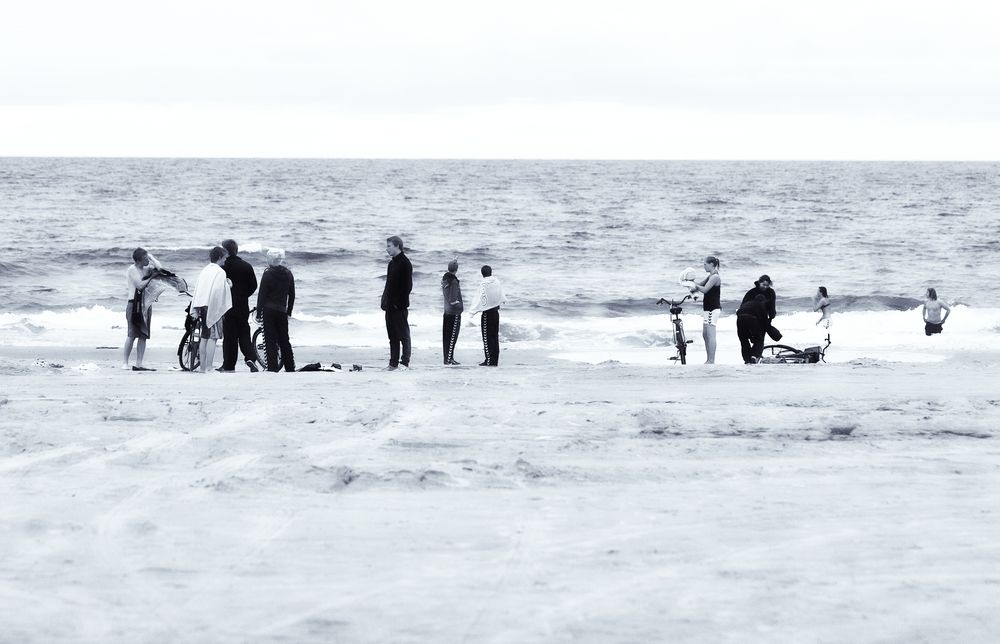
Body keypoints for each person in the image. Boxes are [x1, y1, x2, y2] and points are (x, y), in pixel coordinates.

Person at [191, 246, 232, 373]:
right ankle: (209, 367)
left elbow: (199, 288)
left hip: (202, 304)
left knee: (204, 336)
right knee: (213, 337)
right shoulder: (220, 272)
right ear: (219, 257)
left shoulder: (205, 270)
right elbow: (218, 291)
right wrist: (228, 285)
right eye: (224, 258)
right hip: (213, 306)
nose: (225, 261)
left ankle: (203, 367)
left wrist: (196, 307)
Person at [219, 239, 259, 373]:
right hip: (242, 304)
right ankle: (250, 358)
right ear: (236, 250)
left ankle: (229, 365)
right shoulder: (246, 266)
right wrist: (244, 295)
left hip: (227, 304)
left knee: (230, 336)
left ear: (225, 251)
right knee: (244, 332)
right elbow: (253, 285)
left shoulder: (222, 267)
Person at [122, 247, 163, 371]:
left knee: (143, 335)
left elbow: (159, 268)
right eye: (146, 259)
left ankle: (139, 363)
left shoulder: (146, 269)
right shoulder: (132, 269)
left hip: (145, 304)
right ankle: (125, 362)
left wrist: (150, 256)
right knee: (132, 334)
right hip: (134, 304)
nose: (148, 262)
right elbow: (139, 285)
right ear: (140, 260)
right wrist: (151, 278)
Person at [256, 248, 296, 372]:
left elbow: (262, 294)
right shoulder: (288, 273)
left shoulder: (268, 273)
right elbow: (292, 294)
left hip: (268, 310)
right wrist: (289, 311)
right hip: (282, 310)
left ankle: (272, 368)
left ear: (270, 260)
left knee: (270, 339)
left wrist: (258, 312)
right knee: (284, 339)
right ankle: (290, 367)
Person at [381, 236, 413, 370]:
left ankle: (404, 363)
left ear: (397, 246)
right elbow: (388, 284)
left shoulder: (405, 263)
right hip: (389, 306)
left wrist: (398, 304)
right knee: (392, 336)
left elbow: (408, 287)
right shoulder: (391, 263)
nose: (387, 248)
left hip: (399, 306)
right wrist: (384, 300)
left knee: (403, 335)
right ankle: (393, 363)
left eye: (389, 246)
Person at [468, 265, 506, 366]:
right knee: (494, 337)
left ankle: (488, 360)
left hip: (487, 314)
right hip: (496, 313)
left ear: (482, 274)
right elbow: (502, 295)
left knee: (487, 337)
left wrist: (472, 312)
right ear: (491, 272)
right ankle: (494, 360)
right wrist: (503, 300)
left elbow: (478, 299)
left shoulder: (483, 284)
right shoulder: (497, 281)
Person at [688, 256, 721, 364]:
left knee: (711, 335)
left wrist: (696, 288)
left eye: (705, 264)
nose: (704, 266)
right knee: (705, 334)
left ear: (711, 264)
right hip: (707, 309)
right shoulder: (710, 276)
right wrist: (689, 283)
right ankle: (708, 359)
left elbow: (705, 290)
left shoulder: (715, 277)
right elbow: (699, 284)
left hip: (713, 308)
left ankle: (711, 360)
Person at [741, 274, 780, 341]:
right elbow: (743, 305)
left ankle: (754, 350)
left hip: (763, 318)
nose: (765, 287)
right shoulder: (752, 292)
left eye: (767, 285)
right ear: (759, 283)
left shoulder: (771, 292)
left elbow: (772, 307)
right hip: (751, 317)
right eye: (763, 285)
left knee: (759, 339)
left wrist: (771, 317)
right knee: (756, 340)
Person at [441, 259, 464, 365]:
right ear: (457, 269)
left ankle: (447, 358)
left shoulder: (445, 279)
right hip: (453, 313)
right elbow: (453, 299)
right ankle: (449, 359)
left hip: (446, 312)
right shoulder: (454, 281)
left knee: (446, 337)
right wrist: (459, 305)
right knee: (452, 337)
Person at [736, 293, 769, 364]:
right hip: (751, 319)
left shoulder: (746, 303)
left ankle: (747, 360)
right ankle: (753, 356)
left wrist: (750, 336)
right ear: (763, 301)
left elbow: (738, 312)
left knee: (744, 341)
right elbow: (764, 321)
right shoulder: (761, 305)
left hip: (740, 319)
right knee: (759, 339)